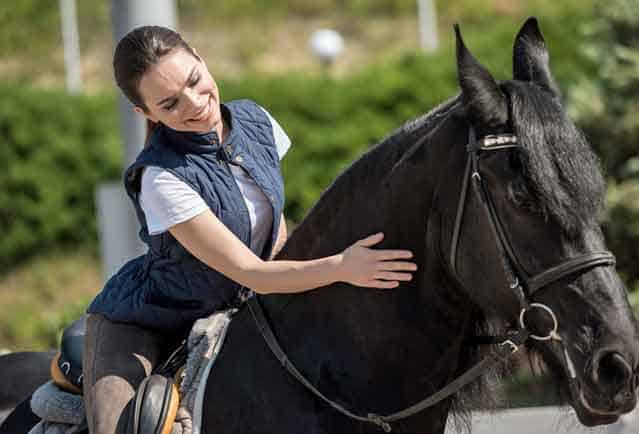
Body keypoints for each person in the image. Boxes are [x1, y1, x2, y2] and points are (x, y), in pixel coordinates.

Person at [82, 25, 417, 434]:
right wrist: (342, 266)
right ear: (146, 114)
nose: (195, 104)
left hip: (242, 304)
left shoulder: (256, 120)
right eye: (169, 104)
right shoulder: (160, 177)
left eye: (194, 80)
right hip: (146, 322)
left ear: (202, 60)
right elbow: (250, 272)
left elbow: (273, 230)